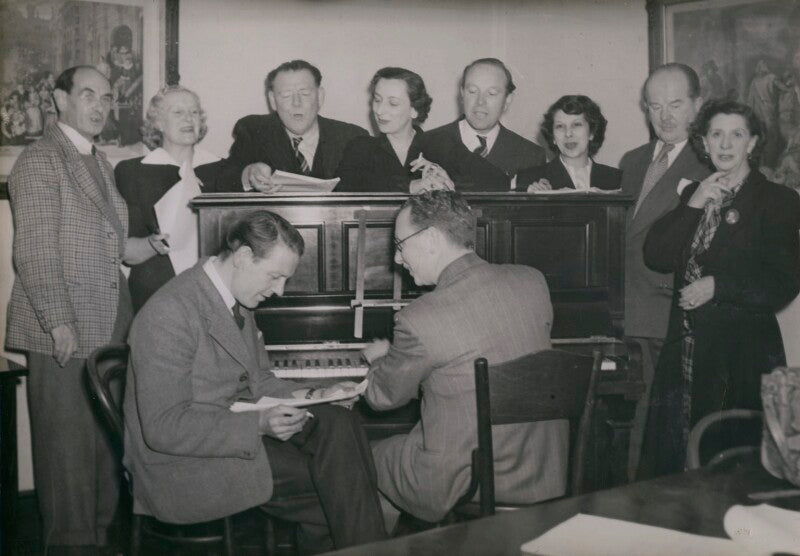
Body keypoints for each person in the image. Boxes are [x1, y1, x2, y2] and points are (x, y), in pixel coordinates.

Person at [123, 210, 387, 553]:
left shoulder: (234, 299)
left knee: (339, 421)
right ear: (244, 257)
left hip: (227, 433)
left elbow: (260, 380)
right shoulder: (169, 313)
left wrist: (318, 394)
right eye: (275, 276)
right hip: (182, 464)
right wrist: (258, 425)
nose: (279, 290)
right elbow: (164, 427)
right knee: (342, 482)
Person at [361, 190, 565, 527]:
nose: (397, 260)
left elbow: (381, 398)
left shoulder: (421, 316)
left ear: (429, 239)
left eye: (400, 245)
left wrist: (381, 359)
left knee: (361, 457)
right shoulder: (532, 280)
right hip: (544, 469)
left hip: (468, 477)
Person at [5, 66, 133, 554]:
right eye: (87, 95)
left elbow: (108, 241)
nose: (100, 106)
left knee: (102, 444)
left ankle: (98, 538)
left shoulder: (96, 159)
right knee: (67, 451)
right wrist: (59, 321)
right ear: (60, 100)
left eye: (106, 97)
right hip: (64, 322)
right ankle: (71, 547)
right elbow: (35, 251)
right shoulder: (40, 161)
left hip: (107, 317)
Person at [640, 99, 800, 477]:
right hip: (684, 352)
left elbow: (784, 282)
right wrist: (693, 205)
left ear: (753, 143)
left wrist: (720, 285)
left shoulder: (779, 201)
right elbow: (657, 255)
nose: (726, 145)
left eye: (736, 135)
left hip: (741, 359)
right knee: (674, 467)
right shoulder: (693, 193)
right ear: (704, 143)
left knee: (730, 473)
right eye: (716, 135)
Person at [619, 63, 711, 480]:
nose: (665, 116)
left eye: (676, 104)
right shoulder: (632, 160)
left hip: (666, 314)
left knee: (654, 432)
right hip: (622, 314)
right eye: (655, 106)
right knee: (624, 427)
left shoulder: (711, 162)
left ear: (698, 105)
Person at [116, 85, 240, 313]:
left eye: (194, 112)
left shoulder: (223, 170)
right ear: (158, 123)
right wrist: (153, 244)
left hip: (215, 293)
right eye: (178, 112)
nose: (188, 119)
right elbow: (127, 252)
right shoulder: (131, 172)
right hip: (158, 294)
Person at [334, 67, 509, 192]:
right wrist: (410, 186)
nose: (379, 111)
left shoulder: (441, 145)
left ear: (414, 109)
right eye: (377, 100)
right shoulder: (360, 146)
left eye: (393, 103)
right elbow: (345, 186)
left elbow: (498, 181)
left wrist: (451, 182)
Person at [218, 59, 368, 191]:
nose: (296, 103)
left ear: (320, 96)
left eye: (305, 94)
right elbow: (224, 178)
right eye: (286, 95)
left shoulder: (352, 137)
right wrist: (248, 174)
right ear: (272, 100)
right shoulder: (254, 130)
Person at [426, 58, 546, 178]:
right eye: (472, 91)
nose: (480, 102)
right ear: (462, 94)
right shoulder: (428, 143)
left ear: (507, 100)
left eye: (492, 93)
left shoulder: (531, 156)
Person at [516, 95, 621, 191]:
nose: (568, 133)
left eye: (576, 124)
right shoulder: (530, 179)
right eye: (560, 126)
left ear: (592, 133)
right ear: (553, 137)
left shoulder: (617, 179)